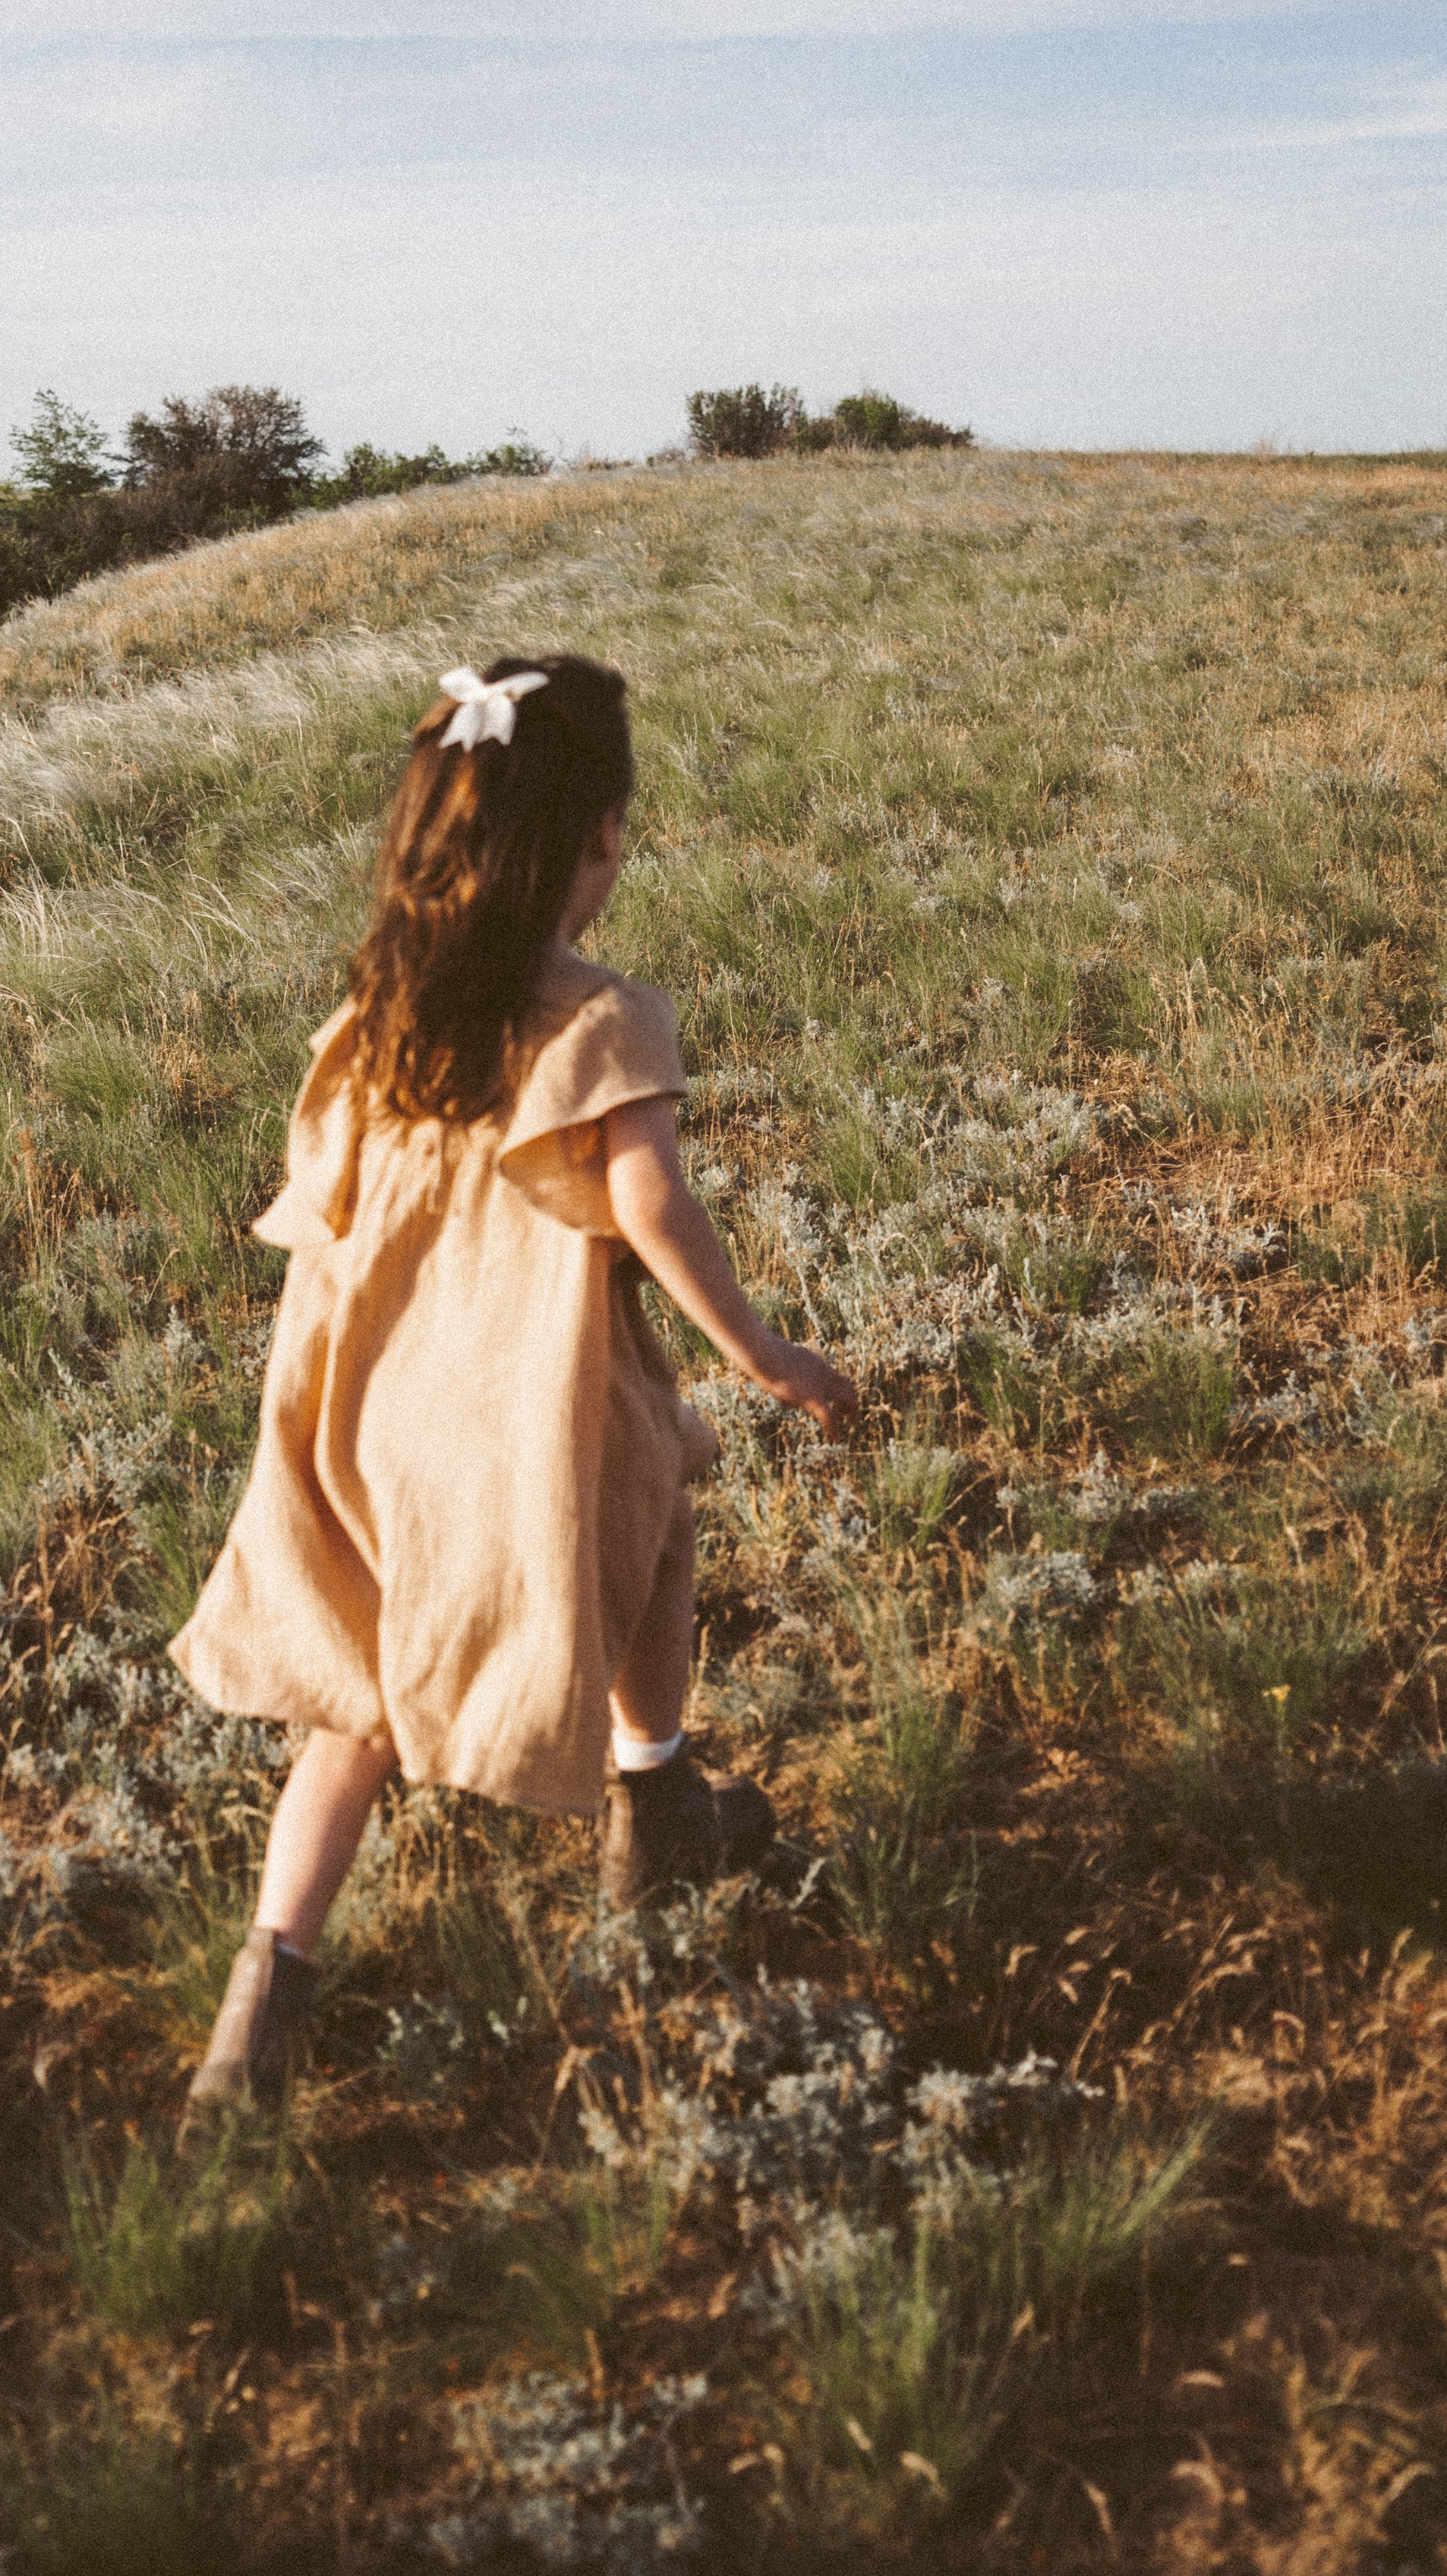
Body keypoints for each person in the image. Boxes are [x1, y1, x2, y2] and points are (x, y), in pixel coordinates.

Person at [169, 654, 856, 2108]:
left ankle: (259, 2006)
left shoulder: (376, 1021)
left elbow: (317, 1213)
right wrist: (761, 1351)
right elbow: (655, 1211)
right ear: (595, 840)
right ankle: (654, 1796)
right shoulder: (606, 1021)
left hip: (374, 1408)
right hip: (535, 1399)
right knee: (662, 1492)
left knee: (353, 1706)